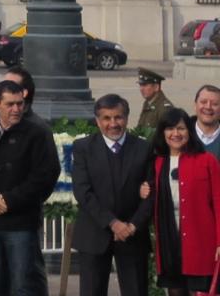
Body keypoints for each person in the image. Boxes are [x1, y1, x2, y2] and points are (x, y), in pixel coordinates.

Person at [0, 79, 58, 296]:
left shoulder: (36, 133)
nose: (16, 109)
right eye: (10, 104)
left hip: (20, 223)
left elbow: (42, 177)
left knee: (22, 284)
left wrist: (8, 201)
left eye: (20, 103)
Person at [72, 94, 153, 296]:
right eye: (107, 118)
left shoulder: (144, 148)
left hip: (133, 236)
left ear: (126, 118)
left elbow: (151, 194)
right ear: (98, 121)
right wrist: (113, 223)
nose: (113, 123)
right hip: (94, 235)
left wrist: (132, 226)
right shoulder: (83, 148)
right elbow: (83, 191)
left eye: (118, 117)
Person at [152, 107, 220, 296]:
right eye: (170, 129)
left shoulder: (207, 160)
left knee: (200, 290)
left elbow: (218, 201)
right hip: (169, 239)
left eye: (181, 128)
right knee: (175, 290)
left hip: (200, 241)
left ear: (189, 131)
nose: (176, 134)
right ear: (162, 132)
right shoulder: (156, 162)